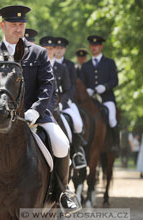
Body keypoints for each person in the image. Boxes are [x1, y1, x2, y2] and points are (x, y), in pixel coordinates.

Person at [0, 5, 79, 216]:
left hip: (35, 116)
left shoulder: (38, 53)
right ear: (3, 25)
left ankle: (62, 193)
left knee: (61, 144)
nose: (18, 28)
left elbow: (47, 85)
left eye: (21, 24)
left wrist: (36, 111)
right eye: (13, 24)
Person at [39, 36, 86, 169]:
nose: (48, 51)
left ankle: (77, 153)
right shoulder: (38, 66)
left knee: (77, 123)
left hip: (60, 103)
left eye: (51, 48)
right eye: (46, 48)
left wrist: (62, 104)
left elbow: (68, 88)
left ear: (55, 50)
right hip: (42, 105)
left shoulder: (62, 67)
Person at [80, 35, 119, 153]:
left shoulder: (109, 62)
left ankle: (115, 144)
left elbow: (115, 81)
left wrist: (105, 87)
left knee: (112, 118)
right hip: (91, 99)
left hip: (106, 98)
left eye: (96, 45)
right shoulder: (85, 66)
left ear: (101, 46)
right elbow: (82, 82)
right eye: (92, 45)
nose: (94, 48)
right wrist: (87, 90)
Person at [54, 37, 87, 168]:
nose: (59, 50)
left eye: (61, 48)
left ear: (64, 50)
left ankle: (77, 152)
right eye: (57, 48)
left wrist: (65, 101)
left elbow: (72, 86)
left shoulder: (69, 65)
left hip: (66, 101)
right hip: (50, 102)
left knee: (78, 123)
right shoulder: (46, 62)